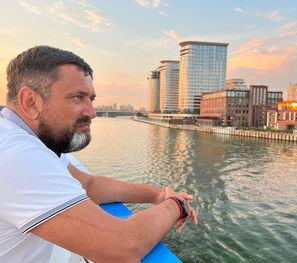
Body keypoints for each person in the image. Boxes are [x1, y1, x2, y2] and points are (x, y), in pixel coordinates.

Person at [0, 46, 197, 263]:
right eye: (77, 98)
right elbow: (122, 246)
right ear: (30, 101)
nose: (92, 112)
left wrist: (158, 195)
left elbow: (89, 185)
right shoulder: (15, 153)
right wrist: (177, 206)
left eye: (90, 99)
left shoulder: (32, 140)